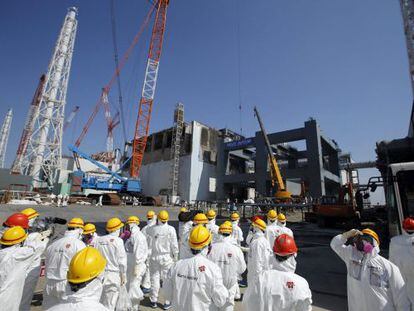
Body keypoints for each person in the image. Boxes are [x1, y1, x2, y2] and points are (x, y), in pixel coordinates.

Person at [331, 228, 410, 310]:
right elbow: (335, 244)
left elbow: (401, 296)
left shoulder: (387, 266)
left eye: (368, 240)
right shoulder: (351, 258)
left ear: (375, 243)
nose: (363, 242)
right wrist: (346, 235)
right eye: (361, 239)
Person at [164, 225, 230, 311]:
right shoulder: (213, 269)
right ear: (208, 245)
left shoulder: (176, 266)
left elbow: (167, 294)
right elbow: (220, 300)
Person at [243, 234, 312, 310]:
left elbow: (248, 303)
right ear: (293, 255)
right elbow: (305, 307)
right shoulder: (301, 283)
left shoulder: (261, 278)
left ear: (274, 254)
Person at [43, 218, 86, 309]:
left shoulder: (53, 244)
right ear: (80, 230)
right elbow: (82, 267)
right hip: (66, 285)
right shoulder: (79, 244)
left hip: (49, 284)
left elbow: (46, 263)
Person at [0, 226, 45, 311]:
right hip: (6, 297)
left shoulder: (3, 253)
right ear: (19, 242)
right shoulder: (16, 254)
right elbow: (35, 248)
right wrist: (41, 237)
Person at [208, 221, 246, 311]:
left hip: (214, 287)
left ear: (219, 232)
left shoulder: (211, 248)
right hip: (229, 287)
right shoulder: (236, 249)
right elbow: (242, 269)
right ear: (230, 233)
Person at [146, 210, 179, 309]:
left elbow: (148, 230)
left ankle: (153, 300)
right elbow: (174, 244)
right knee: (166, 280)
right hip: (166, 257)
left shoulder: (153, 229)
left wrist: (154, 220)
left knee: (154, 279)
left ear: (158, 219)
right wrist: (176, 256)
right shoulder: (171, 229)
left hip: (154, 257)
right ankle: (167, 302)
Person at [94, 217, 127, 311]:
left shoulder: (98, 240)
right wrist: (123, 275)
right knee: (110, 304)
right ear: (117, 229)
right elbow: (122, 261)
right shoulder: (118, 241)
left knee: (99, 302)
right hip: (113, 275)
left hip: (99, 275)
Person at [124, 216, 148, 310]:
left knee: (134, 287)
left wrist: (137, 266)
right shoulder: (132, 236)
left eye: (129, 224)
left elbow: (139, 253)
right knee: (129, 286)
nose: (127, 226)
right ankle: (129, 306)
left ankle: (134, 307)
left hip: (136, 266)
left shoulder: (138, 237)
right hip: (131, 265)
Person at [389, 217, 414, 304]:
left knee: (403, 298)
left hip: (400, 273)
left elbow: (391, 260)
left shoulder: (394, 241)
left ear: (403, 228)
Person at [247, 217, 272, 286]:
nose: (253, 228)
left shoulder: (257, 242)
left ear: (257, 228)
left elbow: (257, 261)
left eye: (254, 227)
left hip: (256, 276)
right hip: (262, 273)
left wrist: (257, 278)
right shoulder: (264, 240)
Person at [141, 210, 157, 292]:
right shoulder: (155, 228)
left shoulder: (144, 229)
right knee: (150, 268)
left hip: (145, 250)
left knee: (147, 267)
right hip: (153, 251)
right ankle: (146, 285)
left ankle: (146, 283)